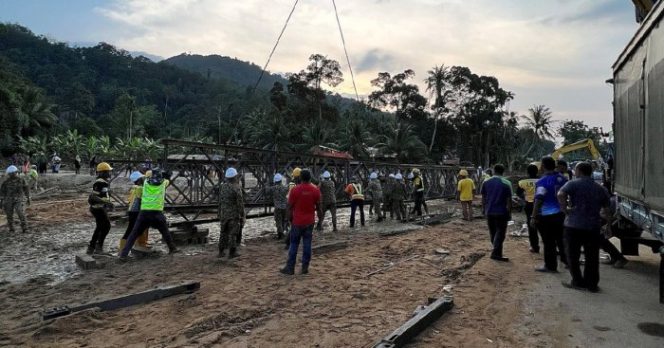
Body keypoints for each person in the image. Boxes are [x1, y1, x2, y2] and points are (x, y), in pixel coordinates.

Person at [557, 162, 611, 292]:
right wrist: (608, 224)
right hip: (592, 226)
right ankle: (592, 284)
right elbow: (607, 208)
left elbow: (560, 194)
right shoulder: (600, 188)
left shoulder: (573, 183)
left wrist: (565, 209)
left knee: (572, 255)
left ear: (579, 171)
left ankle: (577, 281)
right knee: (592, 256)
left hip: (573, 225)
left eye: (575, 170)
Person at [119, 168, 179, 261]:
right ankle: (172, 248)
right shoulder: (163, 183)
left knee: (133, 234)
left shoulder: (146, 183)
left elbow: (145, 177)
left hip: (144, 213)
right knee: (165, 231)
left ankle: (123, 255)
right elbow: (167, 179)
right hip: (157, 213)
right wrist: (166, 174)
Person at [280, 169, 320, 275]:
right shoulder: (315, 190)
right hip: (310, 221)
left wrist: (288, 219)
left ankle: (290, 268)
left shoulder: (295, 190)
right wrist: (320, 219)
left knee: (294, 244)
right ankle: (304, 267)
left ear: (300, 178)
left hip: (297, 222)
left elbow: (289, 206)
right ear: (310, 177)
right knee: (307, 244)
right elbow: (319, 206)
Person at [532, 156, 568, 272]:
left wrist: (533, 216)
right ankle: (568, 261)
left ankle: (550, 266)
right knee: (561, 239)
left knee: (548, 242)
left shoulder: (542, 181)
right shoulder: (563, 179)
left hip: (546, 216)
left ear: (542, 166)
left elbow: (539, 199)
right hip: (561, 214)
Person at [480, 164, 512, 262]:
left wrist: (483, 209)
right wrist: (509, 212)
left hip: (489, 210)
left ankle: (497, 252)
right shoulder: (507, 183)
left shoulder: (486, 182)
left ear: (493, 171)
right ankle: (496, 253)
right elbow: (509, 200)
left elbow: (484, 197)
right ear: (503, 172)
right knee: (500, 233)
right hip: (501, 211)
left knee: (493, 232)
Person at [215, 168, 245, 258]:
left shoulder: (222, 187)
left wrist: (219, 213)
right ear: (235, 177)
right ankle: (232, 253)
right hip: (233, 215)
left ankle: (221, 252)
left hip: (224, 214)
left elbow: (220, 201)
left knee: (223, 233)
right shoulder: (237, 188)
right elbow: (240, 204)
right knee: (233, 234)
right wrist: (242, 215)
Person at [118, 171, 151, 253]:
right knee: (132, 230)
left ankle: (134, 245)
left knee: (135, 229)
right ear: (139, 180)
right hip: (135, 212)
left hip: (132, 211)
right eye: (142, 178)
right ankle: (123, 249)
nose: (144, 180)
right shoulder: (139, 188)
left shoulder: (134, 187)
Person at [87, 162, 114, 254]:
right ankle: (98, 247)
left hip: (99, 208)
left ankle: (92, 247)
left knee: (100, 227)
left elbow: (102, 195)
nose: (110, 173)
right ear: (102, 173)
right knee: (106, 226)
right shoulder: (99, 182)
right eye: (108, 171)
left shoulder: (104, 182)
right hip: (97, 208)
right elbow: (93, 197)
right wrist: (106, 202)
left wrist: (107, 200)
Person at [0, 165, 30, 233]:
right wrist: (1, 202)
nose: (12, 174)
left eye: (13, 173)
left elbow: (26, 189)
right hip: (8, 200)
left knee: (20, 212)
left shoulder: (21, 180)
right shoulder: (5, 183)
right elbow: (2, 193)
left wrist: (28, 198)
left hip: (19, 199)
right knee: (9, 214)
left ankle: (25, 228)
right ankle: (11, 228)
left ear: (16, 172)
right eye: (11, 173)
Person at [517, 164, 540, 253]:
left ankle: (535, 246)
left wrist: (525, 197)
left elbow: (518, 193)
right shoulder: (542, 180)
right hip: (542, 205)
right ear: (537, 171)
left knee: (532, 225)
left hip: (529, 205)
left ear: (527, 172)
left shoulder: (522, 182)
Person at [266, 173, 289, 239]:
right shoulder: (285, 188)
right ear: (281, 180)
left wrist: (267, 183)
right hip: (285, 207)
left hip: (277, 207)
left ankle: (280, 234)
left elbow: (266, 190)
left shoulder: (273, 188)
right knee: (284, 220)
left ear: (275, 181)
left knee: (278, 221)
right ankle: (285, 232)